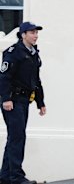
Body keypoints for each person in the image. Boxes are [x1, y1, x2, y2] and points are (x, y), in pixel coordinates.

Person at [0, 22, 46, 184]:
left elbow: (35, 80)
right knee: (18, 137)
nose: (35, 35)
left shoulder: (33, 53)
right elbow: (4, 77)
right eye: (32, 33)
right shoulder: (14, 53)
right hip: (12, 101)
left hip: (24, 100)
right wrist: (6, 98)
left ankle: (6, 177)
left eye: (36, 33)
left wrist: (40, 102)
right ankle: (16, 177)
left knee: (15, 137)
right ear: (23, 35)